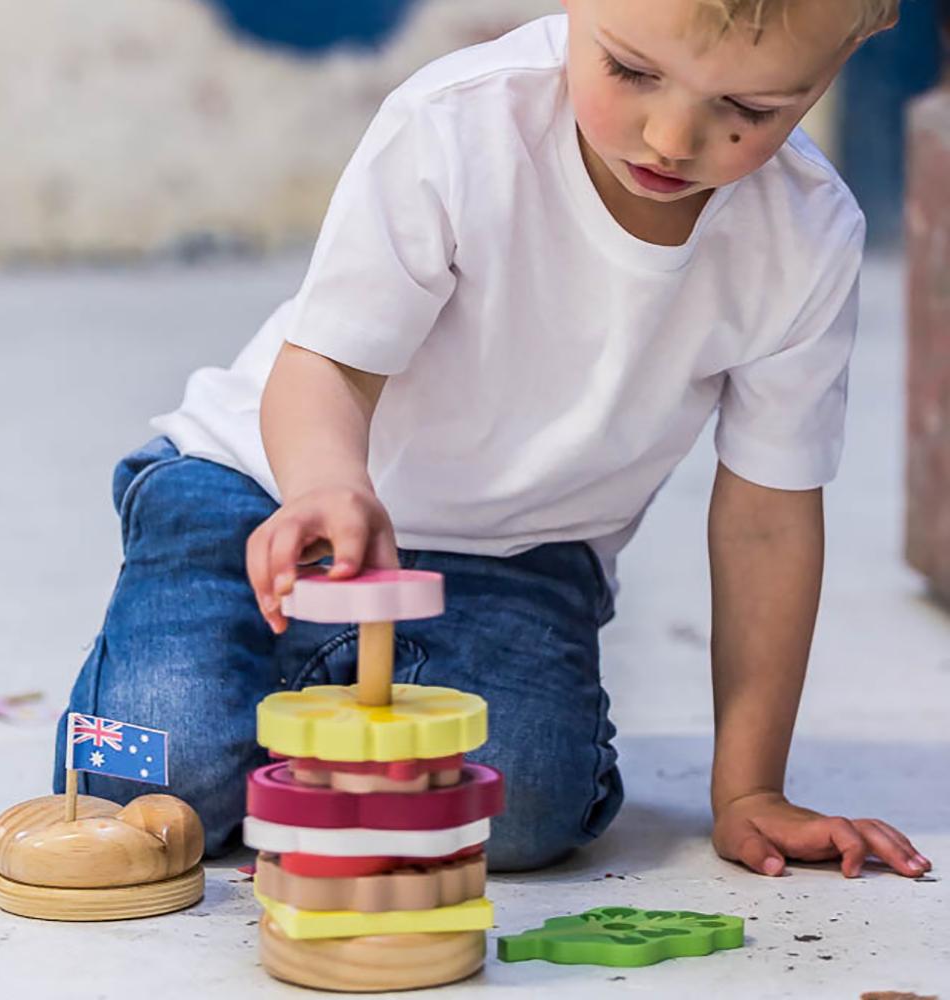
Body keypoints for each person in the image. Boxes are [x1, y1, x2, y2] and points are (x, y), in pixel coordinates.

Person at [55, 0, 933, 878]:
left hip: (516, 554)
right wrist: (327, 484)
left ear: (852, 47)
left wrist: (750, 791)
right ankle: (270, 679)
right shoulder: (459, 124)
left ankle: (313, 698)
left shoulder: (809, 237)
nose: (672, 137)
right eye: (630, 71)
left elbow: (767, 520)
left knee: (515, 814)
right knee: (139, 789)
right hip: (263, 491)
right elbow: (326, 368)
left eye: (750, 110)